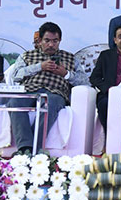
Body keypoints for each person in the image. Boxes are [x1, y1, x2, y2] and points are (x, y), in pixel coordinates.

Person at [8, 22, 86, 155]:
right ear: (39, 40)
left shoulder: (70, 58)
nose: (51, 45)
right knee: (14, 103)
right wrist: (39, 67)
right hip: (30, 90)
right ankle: (25, 148)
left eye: (55, 41)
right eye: (47, 40)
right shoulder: (27, 55)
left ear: (60, 40)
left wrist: (66, 74)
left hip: (55, 93)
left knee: (50, 104)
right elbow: (15, 76)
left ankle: (35, 149)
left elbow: (85, 82)